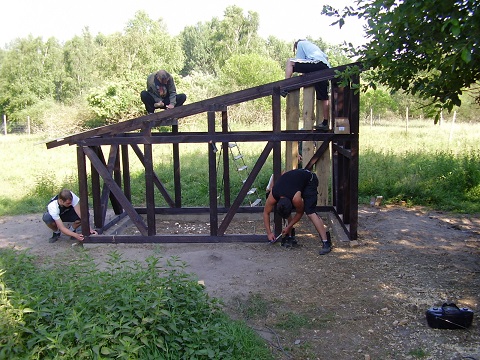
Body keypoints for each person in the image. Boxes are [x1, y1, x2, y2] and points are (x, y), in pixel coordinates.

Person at [263, 169, 332, 255]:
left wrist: (289, 226)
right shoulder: (273, 194)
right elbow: (266, 212)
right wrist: (269, 233)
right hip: (294, 181)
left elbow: (300, 212)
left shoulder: (296, 198)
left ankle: (326, 242)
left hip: (309, 179)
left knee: (310, 212)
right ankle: (290, 236)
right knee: (285, 210)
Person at [285, 39, 331, 130]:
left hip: (317, 65)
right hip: (325, 69)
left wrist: (302, 76)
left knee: (290, 62)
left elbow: (299, 60)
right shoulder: (314, 47)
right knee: (324, 97)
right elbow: (326, 58)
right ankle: (325, 122)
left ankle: (285, 85)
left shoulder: (301, 44)